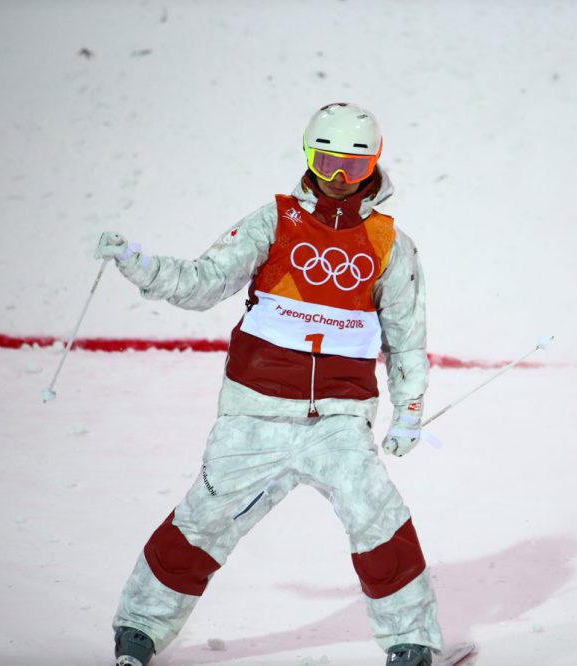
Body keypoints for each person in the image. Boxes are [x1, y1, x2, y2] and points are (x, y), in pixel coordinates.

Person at [97, 102, 444, 666]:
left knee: (377, 514)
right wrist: (142, 265)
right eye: (328, 162)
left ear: (374, 168)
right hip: (253, 413)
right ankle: (141, 625)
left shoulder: (390, 243)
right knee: (204, 517)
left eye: (352, 169)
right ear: (309, 158)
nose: (338, 179)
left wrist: (409, 410)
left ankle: (411, 639)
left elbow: (405, 335)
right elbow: (204, 281)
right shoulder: (275, 221)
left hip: (338, 420)